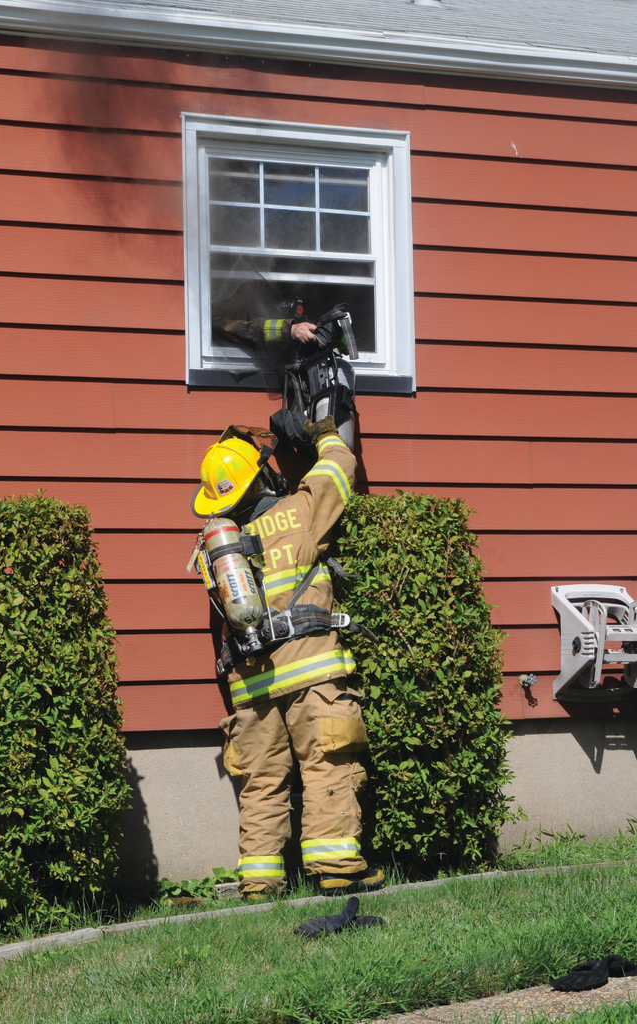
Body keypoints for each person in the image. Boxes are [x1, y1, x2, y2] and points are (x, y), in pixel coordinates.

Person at [192, 320, 385, 898]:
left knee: (261, 783)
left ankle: (260, 881)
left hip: (250, 685)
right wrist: (326, 427)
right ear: (261, 476)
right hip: (312, 672)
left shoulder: (214, 546)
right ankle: (336, 870)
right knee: (329, 765)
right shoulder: (299, 515)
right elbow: (338, 470)